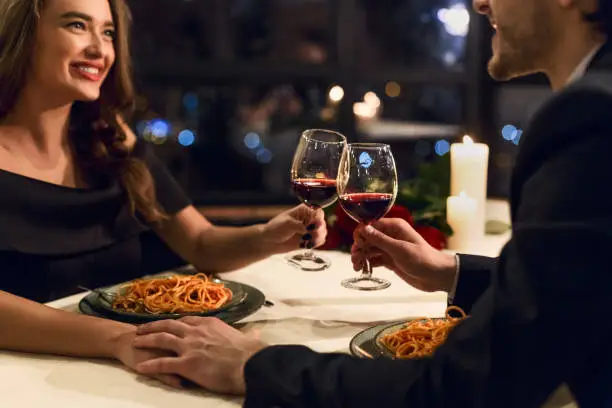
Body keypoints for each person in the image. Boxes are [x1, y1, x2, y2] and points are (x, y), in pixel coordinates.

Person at [130, 0, 612, 405]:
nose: (480, 2)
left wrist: (254, 366)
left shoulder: (588, 117)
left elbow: (465, 387)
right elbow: (583, 293)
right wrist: (451, 272)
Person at [0, 0, 326, 389]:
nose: (100, 49)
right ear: (21, 36)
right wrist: (118, 340)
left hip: (129, 371)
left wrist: (266, 236)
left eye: (107, 32)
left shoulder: (112, 138)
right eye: (76, 25)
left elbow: (202, 244)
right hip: (31, 382)